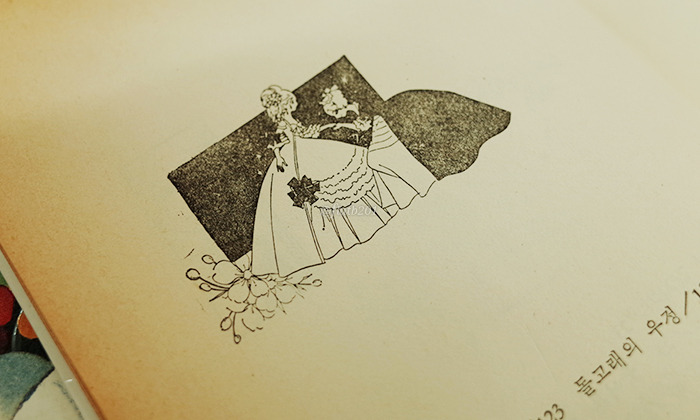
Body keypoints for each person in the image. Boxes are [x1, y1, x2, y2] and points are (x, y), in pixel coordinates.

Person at [250, 85, 436, 277]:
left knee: (349, 170)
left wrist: (314, 132)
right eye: (287, 104)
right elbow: (278, 145)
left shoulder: (292, 120)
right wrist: (280, 158)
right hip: (296, 157)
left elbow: (303, 133)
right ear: (282, 107)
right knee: (317, 194)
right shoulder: (282, 125)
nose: (290, 107)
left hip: (307, 150)